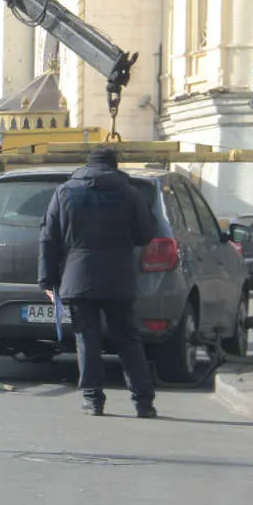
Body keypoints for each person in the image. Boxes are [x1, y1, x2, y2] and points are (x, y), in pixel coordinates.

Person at [38, 146, 158, 417]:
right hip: (118, 276)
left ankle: (93, 400)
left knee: (86, 339)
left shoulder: (65, 192)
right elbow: (145, 233)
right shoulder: (130, 193)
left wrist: (47, 280)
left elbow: (48, 237)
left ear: (87, 165)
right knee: (128, 339)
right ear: (115, 165)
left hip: (79, 276)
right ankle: (143, 402)